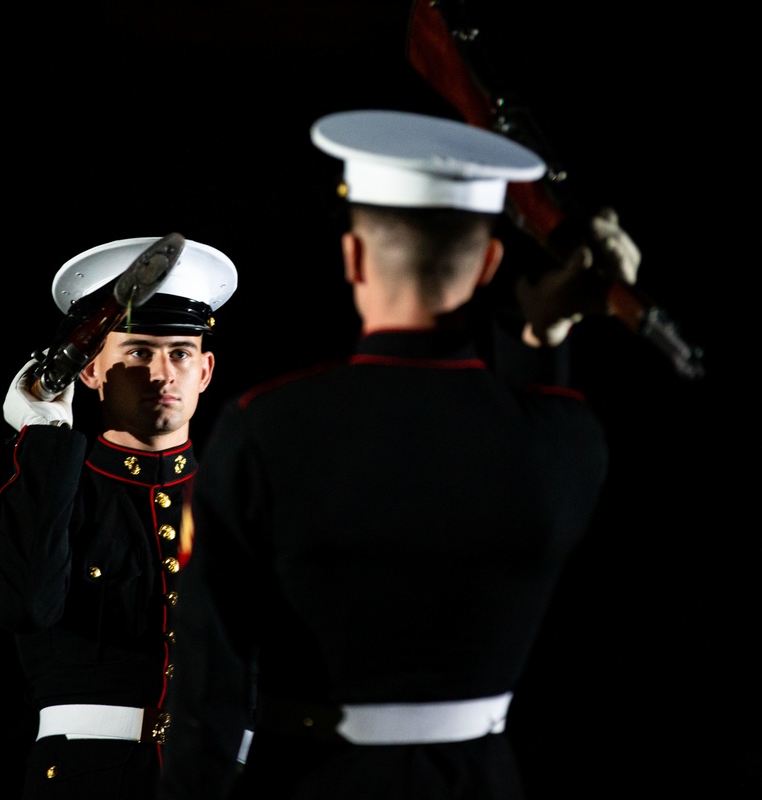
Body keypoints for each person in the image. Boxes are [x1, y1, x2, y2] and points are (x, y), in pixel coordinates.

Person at [157, 110, 641, 799]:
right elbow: (533, 421)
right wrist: (544, 325)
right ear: (490, 264)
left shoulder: (265, 427)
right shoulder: (569, 440)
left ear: (353, 257)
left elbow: (209, 689)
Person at [0, 235, 238, 799]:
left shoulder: (240, 496)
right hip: (91, 779)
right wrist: (45, 439)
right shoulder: (50, 488)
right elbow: (22, 605)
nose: (163, 374)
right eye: (138, 352)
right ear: (91, 372)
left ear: (206, 370)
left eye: (181, 353)